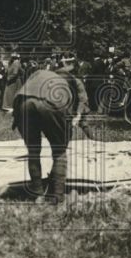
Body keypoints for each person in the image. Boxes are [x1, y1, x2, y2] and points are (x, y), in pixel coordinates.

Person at [12, 53, 96, 203]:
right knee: (59, 151)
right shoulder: (72, 82)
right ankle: (57, 195)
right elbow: (81, 104)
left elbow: (25, 92)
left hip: (23, 101)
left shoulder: (42, 73)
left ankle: (37, 193)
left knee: (33, 150)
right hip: (51, 101)